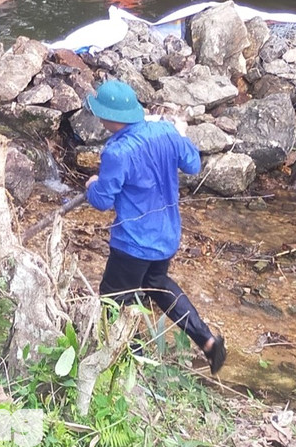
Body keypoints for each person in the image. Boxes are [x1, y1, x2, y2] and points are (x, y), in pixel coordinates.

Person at [83, 80, 226, 374]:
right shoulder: (164, 131)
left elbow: (102, 200)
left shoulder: (117, 152)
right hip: (166, 236)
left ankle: (132, 362)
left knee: (114, 299)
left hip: (133, 241)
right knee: (158, 285)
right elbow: (193, 166)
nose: (97, 118)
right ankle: (208, 341)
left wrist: (91, 185)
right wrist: (181, 137)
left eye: (100, 114)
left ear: (111, 118)